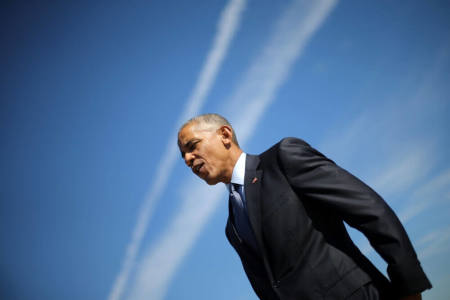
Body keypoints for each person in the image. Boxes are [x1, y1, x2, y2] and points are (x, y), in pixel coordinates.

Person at [177, 113, 432, 300]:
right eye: (184, 157)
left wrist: (409, 287)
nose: (188, 160)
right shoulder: (232, 228)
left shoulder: (282, 159)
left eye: (192, 147)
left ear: (224, 135)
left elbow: (370, 211)